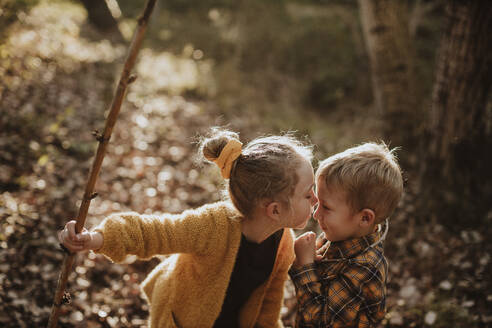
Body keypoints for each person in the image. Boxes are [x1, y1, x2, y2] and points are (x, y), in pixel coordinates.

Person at [58, 128, 318, 328]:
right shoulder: (213, 225)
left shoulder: (284, 242)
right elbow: (153, 232)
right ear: (274, 210)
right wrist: (94, 238)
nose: (316, 199)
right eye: (308, 195)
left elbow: (269, 305)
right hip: (180, 320)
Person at [289, 142, 403, 328]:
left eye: (326, 207)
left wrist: (304, 267)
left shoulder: (363, 268)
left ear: (365, 218)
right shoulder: (341, 236)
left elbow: (319, 322)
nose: (316, 214)